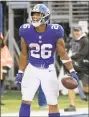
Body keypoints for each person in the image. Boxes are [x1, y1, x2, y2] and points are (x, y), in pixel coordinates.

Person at [15, 4, 79, 117]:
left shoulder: (55, 31)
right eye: (33, 15)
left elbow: (62, 53)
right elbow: (24, 53)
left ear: (45, 16)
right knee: (26, 99)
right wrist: (20, 72)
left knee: (53, 103)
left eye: (38, 15)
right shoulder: (25, 30)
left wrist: (72, 70)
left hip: (48, 69)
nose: (35, 17)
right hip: (32, 68)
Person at [64, 25, 89, 112]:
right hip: (73, 66)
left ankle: (84, 96)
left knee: (86, 88)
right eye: (75, 30)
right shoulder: (72, 40)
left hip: (84, 66)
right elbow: (66, 47)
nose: (76, 32)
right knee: (70, 84)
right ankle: (72, 105)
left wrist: (71, 57)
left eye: (78, 30)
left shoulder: (85, 41)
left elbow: (83, 53)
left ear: (81, 31)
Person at [0, 36, 13, 105]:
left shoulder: (5, 49)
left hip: (3, 71)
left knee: (2, 86)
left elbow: (9, 59)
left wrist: (7, 67)